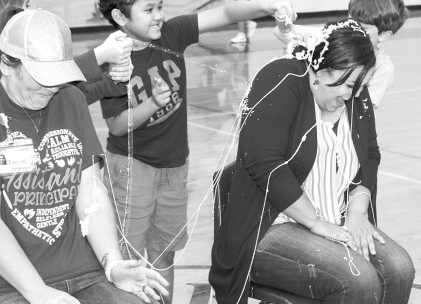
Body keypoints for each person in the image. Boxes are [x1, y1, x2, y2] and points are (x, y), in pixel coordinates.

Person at [0, 9, 169, 304]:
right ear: (8, 64)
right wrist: (37, 291)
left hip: (83, 274)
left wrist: (113, 265)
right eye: (42, 76)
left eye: (58, 76)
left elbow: (92, 197)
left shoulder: (71, 99)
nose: (52, 86)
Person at [97, 1, 295, 303]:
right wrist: (152, 103)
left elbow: (226, 13)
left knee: (165, 252)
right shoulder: (113, 57)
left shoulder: (171, 33)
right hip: (131, 170)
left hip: (176, 167)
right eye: (149, 9)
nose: (159, 15)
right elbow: (116, 126)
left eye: (160, 6)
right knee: (131, 259)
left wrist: (267, 6)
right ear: (120, 16)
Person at [210, 19, 415, 304]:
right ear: (320, 70)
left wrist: (357, 212)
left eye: (357, 85)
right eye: (346, 84)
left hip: (336, 218)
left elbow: (369, 154)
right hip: (270, 226)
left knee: (400, 269)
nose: (351, 94)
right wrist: (315, 222)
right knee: (357, 279)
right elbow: (263, 162)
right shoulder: (281, 78)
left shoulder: (352, 92)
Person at [0, 5, 133, 104]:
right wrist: (100, 55)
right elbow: (45, 76)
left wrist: (116, 76)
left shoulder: (45, 91)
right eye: (26, 3)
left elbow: (73, 96)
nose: (28, 8)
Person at [273, 0, 409, 109]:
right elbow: (281, 32)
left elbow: (365, 109)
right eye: (350, 22)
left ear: (384, 35)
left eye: (363, 28)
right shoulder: (332, 38)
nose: (352, 29)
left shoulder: (383, 68)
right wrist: (284, 21)